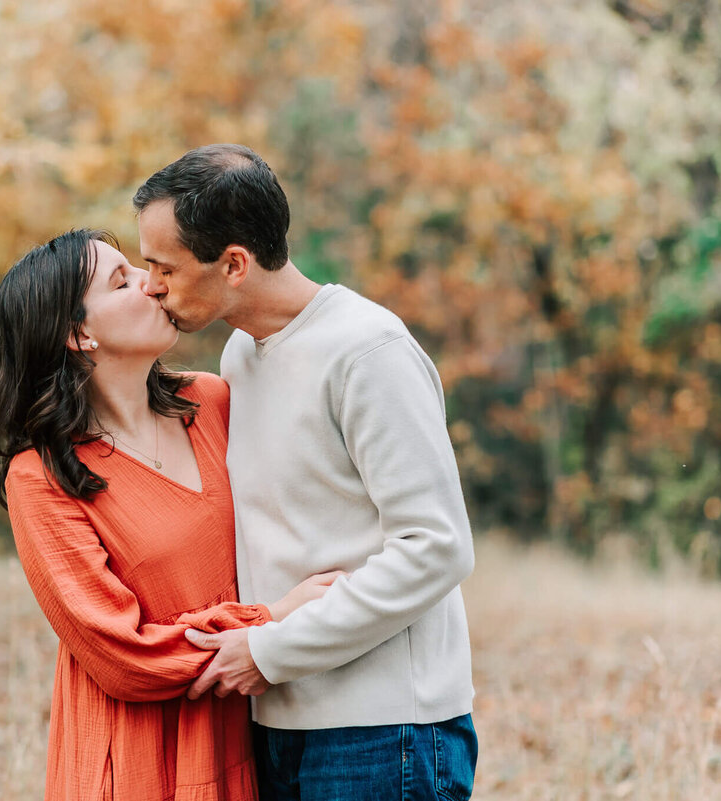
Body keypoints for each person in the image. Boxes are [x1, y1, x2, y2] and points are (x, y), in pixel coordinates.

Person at [133, 144, 479, 800]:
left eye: (164, 267)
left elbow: (437, 547)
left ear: (234, 263)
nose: (151, 284)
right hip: (278, 723)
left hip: (385, 731)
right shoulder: (241, 355)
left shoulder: (367, 351)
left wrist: (271, 652)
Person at [0, 228, 341, 801]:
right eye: (121, 281)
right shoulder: (43, 476)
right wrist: (272, 619)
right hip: (135, 759)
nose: (153, 285)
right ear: (78, 332)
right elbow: (122, 658)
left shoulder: (215, 402)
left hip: (248, 734)